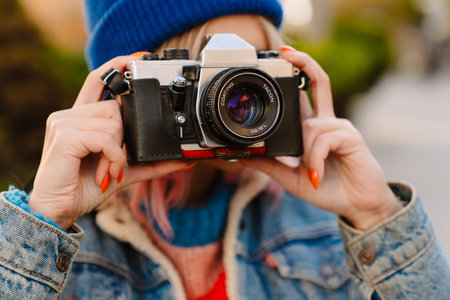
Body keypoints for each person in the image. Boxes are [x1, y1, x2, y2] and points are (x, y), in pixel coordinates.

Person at [1, 0, 449, 299]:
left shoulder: (321, 229)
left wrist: (376, 216)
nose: (239, 97)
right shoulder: (61, 250)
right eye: (198, 74)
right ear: (127, 88)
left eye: (254, 67)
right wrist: (43, 221)